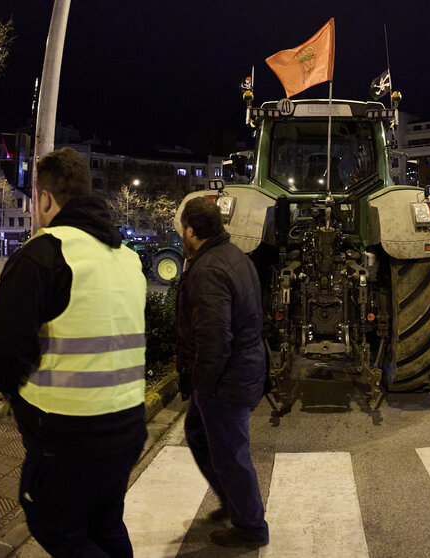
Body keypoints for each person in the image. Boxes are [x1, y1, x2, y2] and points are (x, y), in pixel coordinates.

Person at [0, 147, 148, 557]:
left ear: (45, 199)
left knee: (57, 529)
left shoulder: (42, 254)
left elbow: (2, 347)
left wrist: (15, 396)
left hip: (66, 436)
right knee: (105, 525)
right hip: (127, 428)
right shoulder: (127, 259)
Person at [174, 197, 269, 548]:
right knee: (198, 434)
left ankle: (251, 528)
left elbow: (214, 339)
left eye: (182, 229)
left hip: (225, 380)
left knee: (231, 453)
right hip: (237, 371)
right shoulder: (235, 257)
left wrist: (202, 385)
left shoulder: (209, 269)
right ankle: (232, 502)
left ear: (190, 230)